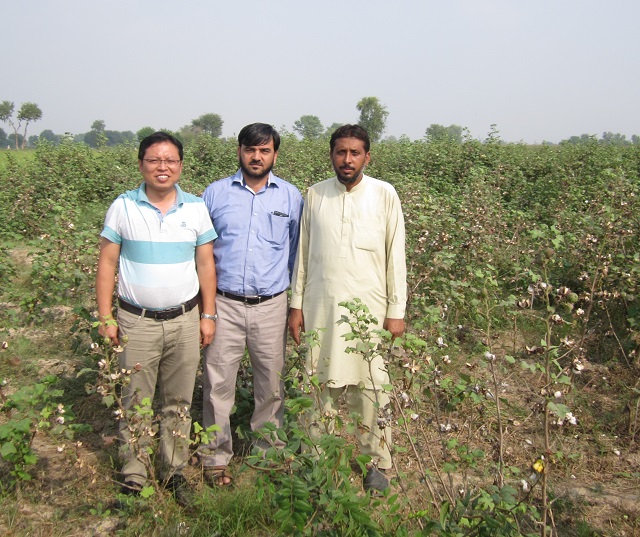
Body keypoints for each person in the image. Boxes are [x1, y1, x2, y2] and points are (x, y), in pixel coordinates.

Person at [96, 131, 217, 505]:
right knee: (135, 399)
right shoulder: (123, 206)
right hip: (137, 321)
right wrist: (106, 319)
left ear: (180, 166)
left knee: (179, 401)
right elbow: (107, 263)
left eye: (170, 161)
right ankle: (134, 473)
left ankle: (175, 469)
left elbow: (205, 263)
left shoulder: (195, 208)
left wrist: (208, 314)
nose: (162, 167)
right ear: (141, 164)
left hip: (184, 319)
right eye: (154, 160)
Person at [288, 124, 407, 493]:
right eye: (341, 152)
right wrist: (296, 306)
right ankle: (317, 457)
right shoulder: (316, 195)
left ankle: (377, 461)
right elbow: (302, 256)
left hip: (369, 311)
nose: (347, 159)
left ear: (367, 157)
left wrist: (396, 309)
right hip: (320, 306)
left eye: (355, 153)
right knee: (317, 384)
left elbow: (395, 255)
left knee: (371, 388)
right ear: (331, 155)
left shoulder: (385, 195)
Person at [200, 123, 303, 486]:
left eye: (264, 150)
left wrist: (295, 305)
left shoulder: (291, 197)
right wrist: (205, 308)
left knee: (271, 384)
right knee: (217, 384)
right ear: (240, 151)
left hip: (271, 304)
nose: (256, 157)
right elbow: (202, 254)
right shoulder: (214, 194)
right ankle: (215, 457)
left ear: (275, 154)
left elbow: (296, 255)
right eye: (250, 149)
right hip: (224, 304)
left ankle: (268, 452)